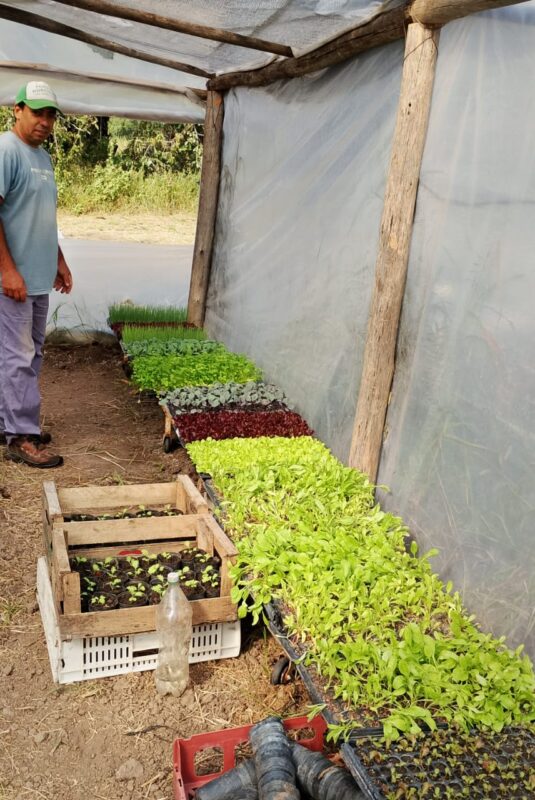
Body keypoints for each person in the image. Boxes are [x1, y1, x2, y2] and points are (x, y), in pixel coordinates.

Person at [0, 80, 73, 468]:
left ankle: (9, 420)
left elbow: (43, 218)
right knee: (18, 356)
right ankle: (20, 436)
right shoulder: (6, 150)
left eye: (50, 115)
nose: (44, 121)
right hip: (14, 282)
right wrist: (8, 271)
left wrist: (59, 260)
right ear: (17, 109)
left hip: (38, 276)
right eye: (37, 112)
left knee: (30, 353)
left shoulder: (42, 157)